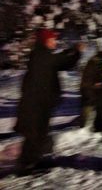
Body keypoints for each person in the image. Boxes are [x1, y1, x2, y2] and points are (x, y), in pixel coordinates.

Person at [14, 28, 83, 175]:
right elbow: (61, 61)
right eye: (52, 40)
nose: (54, 42)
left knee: (38, 134)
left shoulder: (43, 55)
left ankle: (34, 161)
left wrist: (73, 52)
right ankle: (26, 165)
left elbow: (60, 62)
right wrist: (75, 51)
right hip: (35, 105)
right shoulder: (42, 56)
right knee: (34, 135)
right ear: (45, 41)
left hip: (39, 104)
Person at [79, 44, 102, 134]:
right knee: (91, 108)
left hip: (96, 89)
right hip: (93, 89)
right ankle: (83, 130)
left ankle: (98, 129)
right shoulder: (98, 61)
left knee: (100, 109)